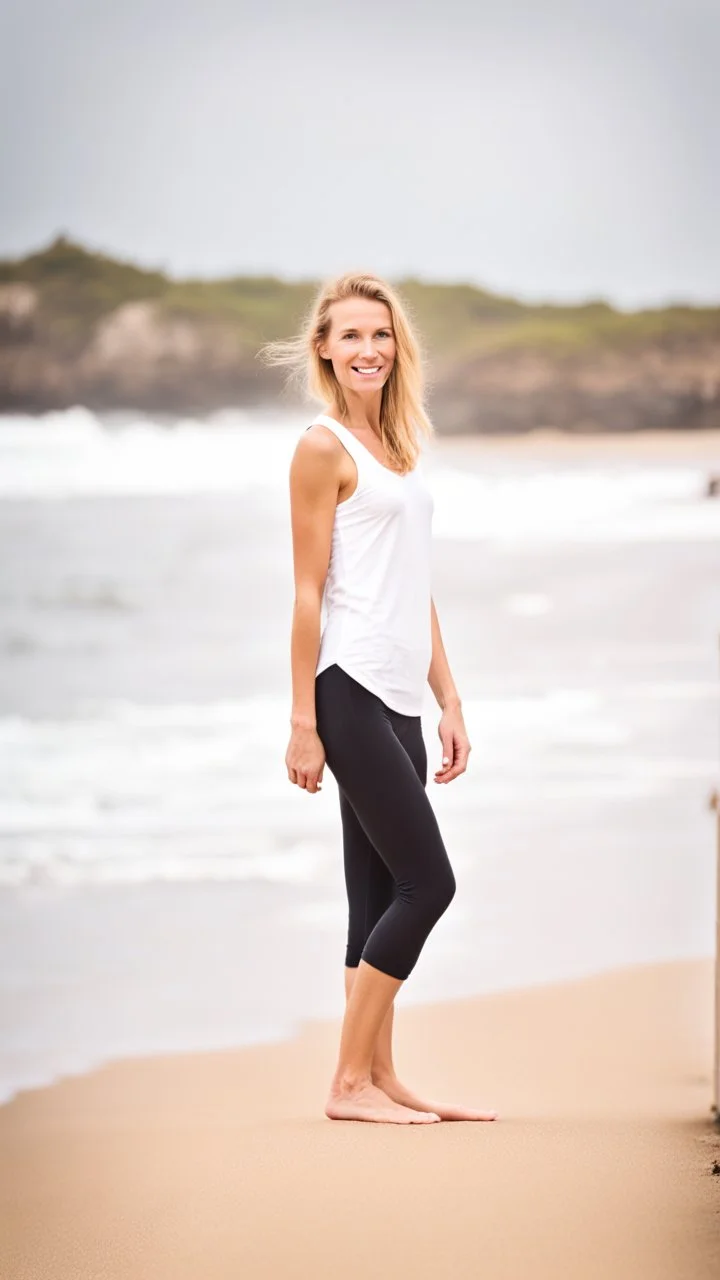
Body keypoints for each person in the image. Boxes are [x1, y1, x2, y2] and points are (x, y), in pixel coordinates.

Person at [263, 273, 497, 1125]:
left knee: (375, 898)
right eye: (351, 336)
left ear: (399, 349)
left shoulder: (397, 450)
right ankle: (347, 1081)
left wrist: (450, 699)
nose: (369, 350)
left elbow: (414, 587)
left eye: (382, 336)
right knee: (427, 885)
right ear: (324, 348)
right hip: (348, 691)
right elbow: (306, 594)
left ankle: (382, 1077)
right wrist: (302, 721)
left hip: (399, 697)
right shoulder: (322, 447)